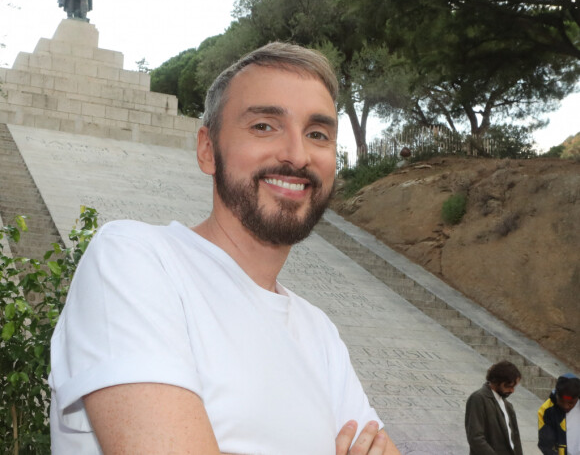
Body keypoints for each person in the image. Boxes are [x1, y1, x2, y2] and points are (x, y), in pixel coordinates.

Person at [49, 42, 400, 454]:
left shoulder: (320, 334)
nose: (297, 154)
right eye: (264, 126)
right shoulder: (134, 259)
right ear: (206, 149)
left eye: (317, 134)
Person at [465, 360, 524, 455]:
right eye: (509, 386)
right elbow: (476, 438)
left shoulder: (508, 405)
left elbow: (515, 441)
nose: (512, 390)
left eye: (514, 387)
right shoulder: (478, 399)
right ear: (497, 381)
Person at [538, 373, 580, 455]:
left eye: (571, 403)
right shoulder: (547, 410)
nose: (566, 406)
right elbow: (546, 445)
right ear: (556, 394)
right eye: (561, 401)